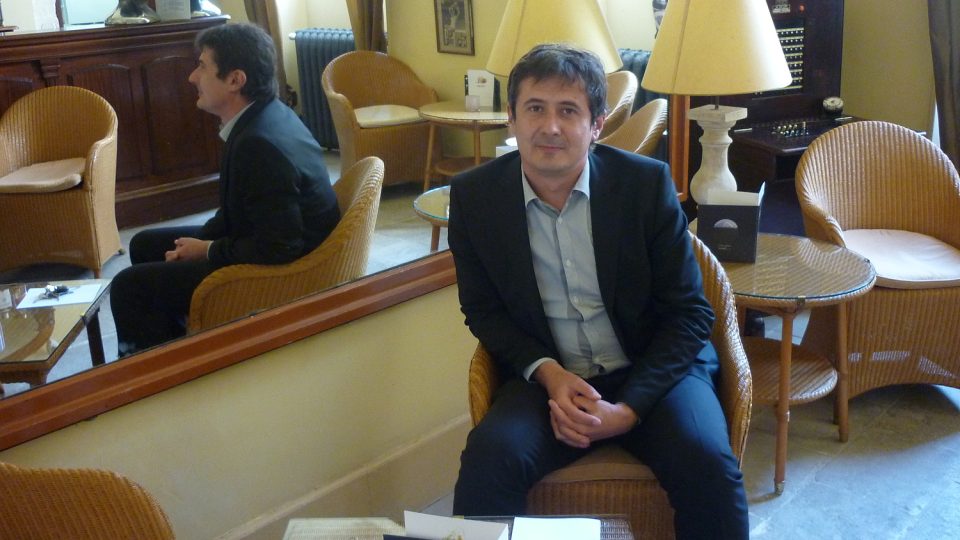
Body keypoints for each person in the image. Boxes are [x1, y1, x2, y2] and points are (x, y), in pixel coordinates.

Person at [447, 43, 748, 539]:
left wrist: (629, 409)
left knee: (707, 462)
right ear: (511, 118)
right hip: (550, 378)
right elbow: (483, 311)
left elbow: (690, 313)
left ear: (597, 125)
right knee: (489, 459)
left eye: (569, 111)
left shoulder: (644, 185)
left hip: (654, 370)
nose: (550, 127)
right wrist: (549, 374)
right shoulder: (474, 197)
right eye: (535, 108)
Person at [110, 23, 340, 356]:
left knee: (129, 287)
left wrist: (207, 249)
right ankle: (175, 344)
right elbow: (239, 211)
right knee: (145, 244)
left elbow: (279, 247)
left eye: (202, 66)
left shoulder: (258, 145)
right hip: (270, 237)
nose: (192, 77)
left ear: (235, 80)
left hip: (287, 271)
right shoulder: (266, 114)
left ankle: (159, 371)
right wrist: (202, 241)